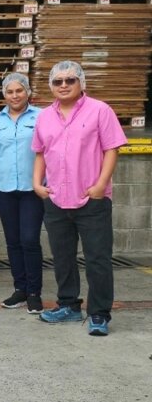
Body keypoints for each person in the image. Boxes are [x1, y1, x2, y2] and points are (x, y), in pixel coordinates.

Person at [33, 61, 126, 336]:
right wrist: (36, 183)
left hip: (91, 199)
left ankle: (98, 314)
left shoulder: (100, 110)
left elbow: (112, 149)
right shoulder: (44, 116)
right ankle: (69, 305)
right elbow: (40, 152)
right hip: (56, 198)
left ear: (81, 83)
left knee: (98, 258)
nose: (63, 85)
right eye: (58, 81)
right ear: (51, 86)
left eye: (70, 80)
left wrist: (100, 185)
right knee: (62, 257)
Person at [0, 73, 43, 312]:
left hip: (32, 188)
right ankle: (20, 289)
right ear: (3, 94)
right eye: (9, 92)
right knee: (13, 241)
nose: (14, 96)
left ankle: (35, 291)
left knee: (29, 240)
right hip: (3, 188)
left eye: (19, 91)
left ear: (27, 92)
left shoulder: (42, 117)